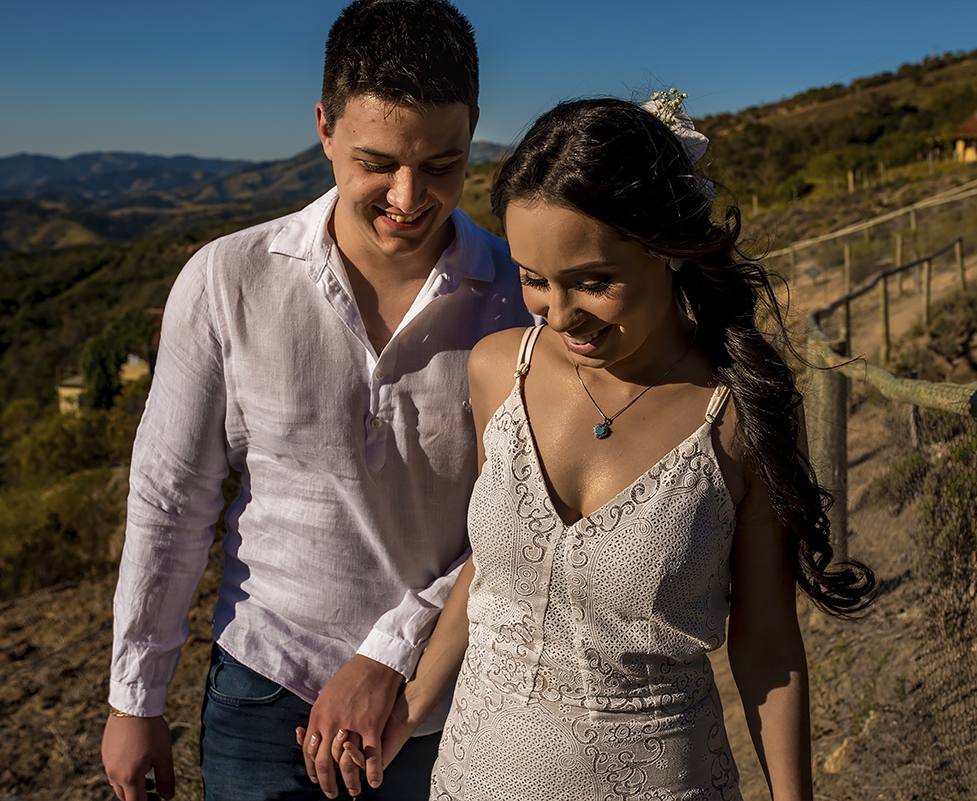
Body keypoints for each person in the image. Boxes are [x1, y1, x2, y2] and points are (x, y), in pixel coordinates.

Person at [339, 95, 876, 800]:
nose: (561, 315)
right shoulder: (498, 370)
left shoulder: (735, 418)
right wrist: (410, 705)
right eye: (534, 278)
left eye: (593, 281)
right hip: (474, 776)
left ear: (663, 247)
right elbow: (494, 573)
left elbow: (767, 643)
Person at [100, 1, 533, 799]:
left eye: (442, 163)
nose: (409, 196)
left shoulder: (519, 295)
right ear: (324, 129)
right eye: (378, 161)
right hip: (263, 690)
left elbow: (526, 517)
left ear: (474, 132)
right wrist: (136, 698)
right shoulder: (228, 278)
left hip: (449, 699)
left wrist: (392, 652)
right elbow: (171, 499)